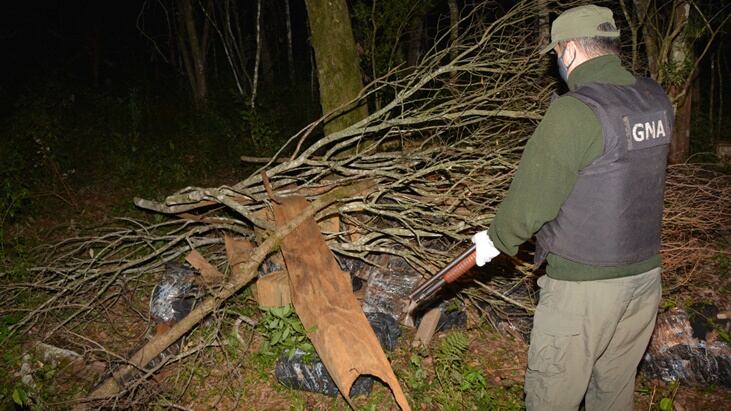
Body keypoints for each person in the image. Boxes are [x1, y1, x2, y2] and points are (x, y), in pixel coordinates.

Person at [470, 5, 673, 410]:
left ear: (569, 51)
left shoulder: (575, 111)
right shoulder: (655, 98)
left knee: (552, 398)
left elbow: (530, 204)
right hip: (644, 281)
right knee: (613, 397)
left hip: (583, 290)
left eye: (556, 55)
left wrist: (494, 240)